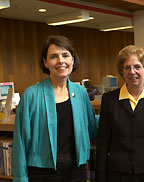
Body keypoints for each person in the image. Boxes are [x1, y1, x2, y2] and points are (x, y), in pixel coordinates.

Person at [12, 35, 98, 182]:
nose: (61, 61)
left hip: (77, 169)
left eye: (65, 55)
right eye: (53, 56)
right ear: (45, 62)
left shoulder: (80, 92)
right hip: (42, 172)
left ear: (72, 60)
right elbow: (20, 141)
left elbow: (92, 127)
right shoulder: (31, 95)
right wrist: (20, 178)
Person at [96, 45, 144, 182]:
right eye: (127, 67)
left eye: (137, 67)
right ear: (122, 71)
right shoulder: (109, 100)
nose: (132, 72)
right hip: (118, 175)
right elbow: (103, 143)